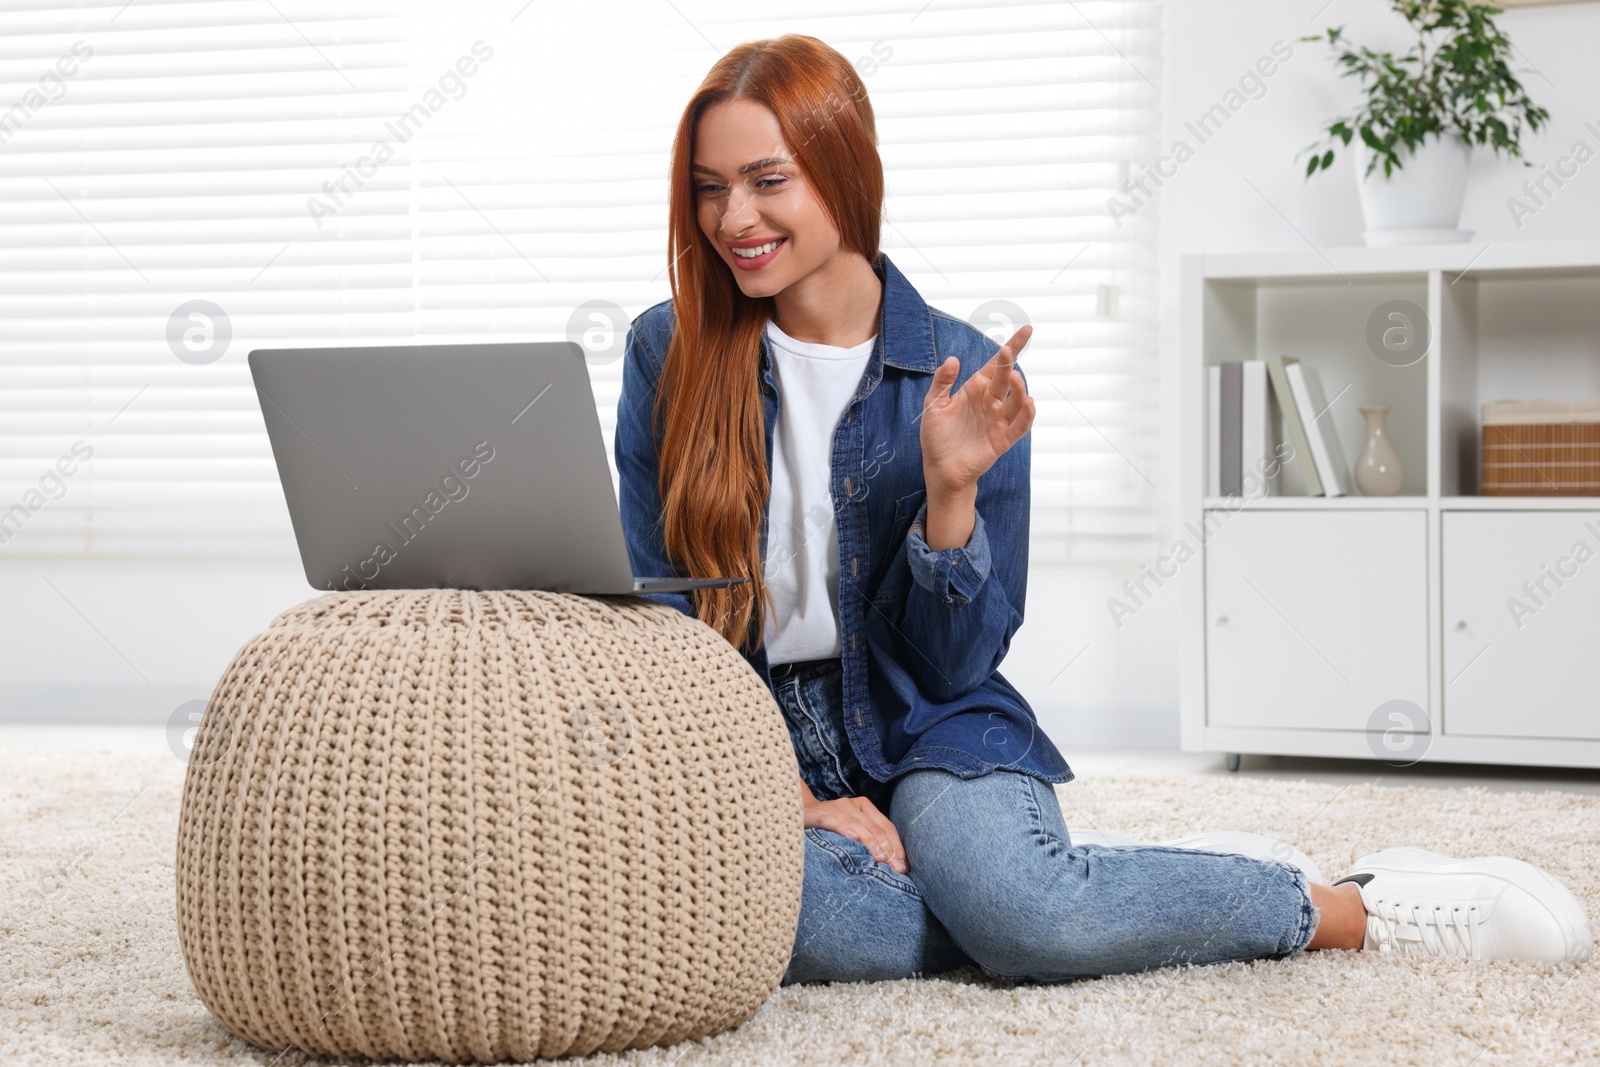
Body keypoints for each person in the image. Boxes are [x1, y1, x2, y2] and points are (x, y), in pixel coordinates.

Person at [613, 33, 1593, 984]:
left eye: (766, 179)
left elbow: (958, 661)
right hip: (749, 735)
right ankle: (1096, 889)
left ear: (845, 171)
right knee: (804, 922)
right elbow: (660, 624)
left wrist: (949, 494)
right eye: (709, 186)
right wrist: (788, 797)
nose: (732, 215)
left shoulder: (962, 369)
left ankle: (1346, 902)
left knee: (1020, 910)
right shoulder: (671, 353)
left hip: (931, 721)